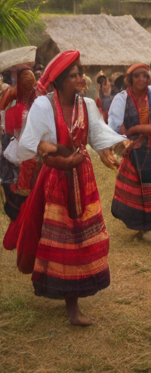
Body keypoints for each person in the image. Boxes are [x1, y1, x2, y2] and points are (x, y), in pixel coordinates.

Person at [3, 50, 125, 326]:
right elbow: (30, 142)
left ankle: (76, 290)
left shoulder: (86, 105)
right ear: (58, 82)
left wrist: (120, 145)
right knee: (66, 238)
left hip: (83, 177)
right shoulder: (45, 106)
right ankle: (72, 304)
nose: (81, 78)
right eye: (74, 75)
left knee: (82, 235)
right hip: (56, 178)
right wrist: (53, 148)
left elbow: (98, 133)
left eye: (81, 73)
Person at [109, 63, 151, 243]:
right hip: (133, 149)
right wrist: (133, 133)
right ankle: (142, 229)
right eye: (137, 76)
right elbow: (114, 127)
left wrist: (149, 129)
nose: (141, 79)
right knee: (138, 189)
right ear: (129, 79)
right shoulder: (121, 98)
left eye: (144, 75)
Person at [1, 69, 39, 221]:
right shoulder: (38, 108)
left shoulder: (12, 111)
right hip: (32, 155)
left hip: (15, 151)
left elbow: (8, 131)